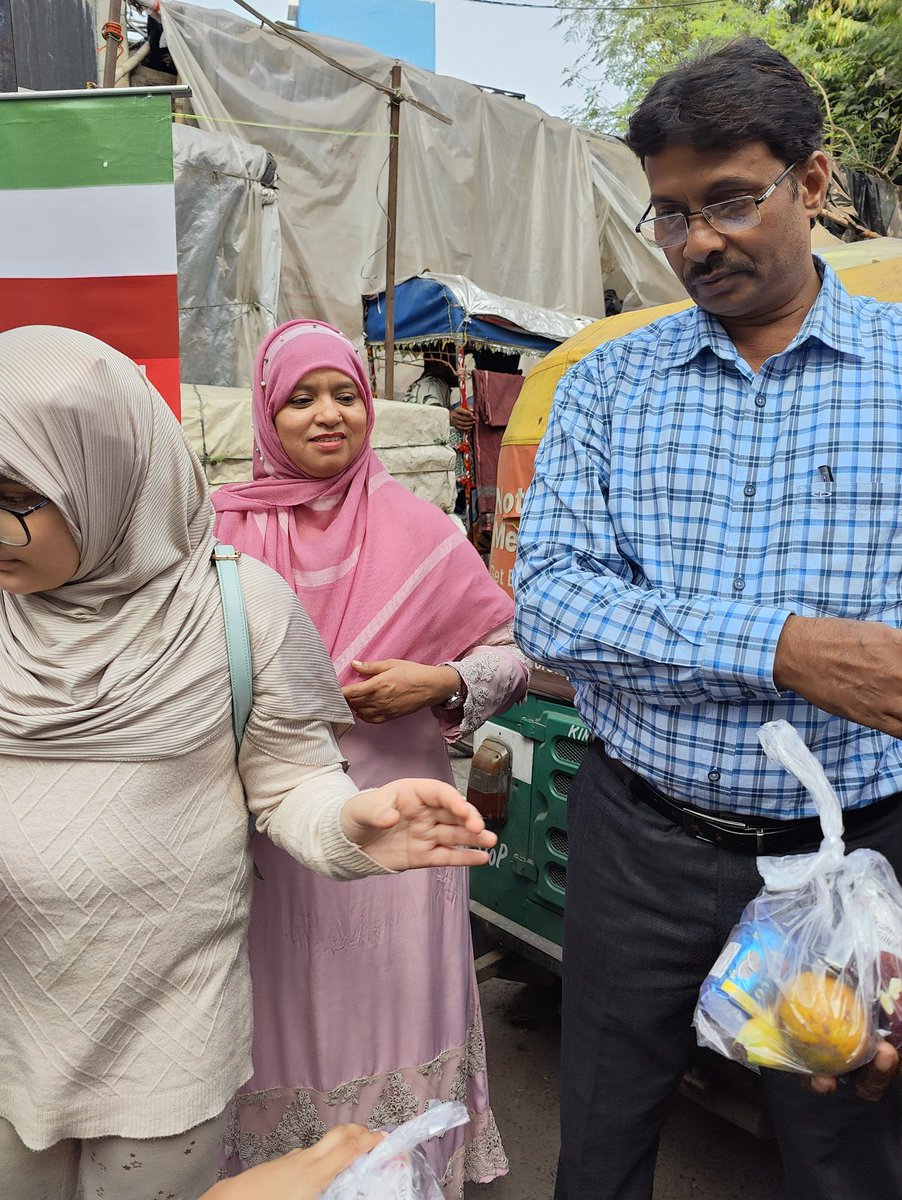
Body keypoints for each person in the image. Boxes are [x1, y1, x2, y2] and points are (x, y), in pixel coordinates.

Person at [513, 37, 902, 1200]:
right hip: (641, 841)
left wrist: (666, 636)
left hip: (851, 856)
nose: (693, 241)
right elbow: (552, 606)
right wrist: (785, 650)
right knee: (600, 1132)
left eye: (727, 199)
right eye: (667, 213)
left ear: (813, 182)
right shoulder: (604, 385)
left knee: (845, 1144)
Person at [0, 325, 497, 1200]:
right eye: (298, 398)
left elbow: (292, 779)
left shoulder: (232, 604)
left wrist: (350, 821)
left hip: (163, 1039)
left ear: (103, 472)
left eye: (15, 492)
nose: (327, 416)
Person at [212, 320, 526, 1195]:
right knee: (283, 1025)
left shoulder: (421, 529)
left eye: (345, 395)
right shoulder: (218, 538)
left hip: (406, 830)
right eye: (301, 399)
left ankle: (403, 1172)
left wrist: (442, 678)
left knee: (392, 1021)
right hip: (275, 839)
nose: (328, 416)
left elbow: (514, 657)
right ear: (266, 415)